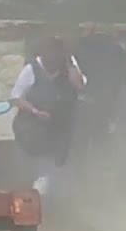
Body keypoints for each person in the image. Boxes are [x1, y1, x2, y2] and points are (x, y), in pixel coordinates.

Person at [11, 34, 86, 195]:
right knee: (43, 160)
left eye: (58, 54)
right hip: (33, 124)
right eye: (51, 53)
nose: (54, 58)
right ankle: (39, 190)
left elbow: (79, 86)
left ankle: (49, 190)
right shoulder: (31, 69)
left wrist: (69, 63)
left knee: (60, 161)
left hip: (60, 124)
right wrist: (34, 111)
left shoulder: (68, 68)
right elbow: (16, 98)